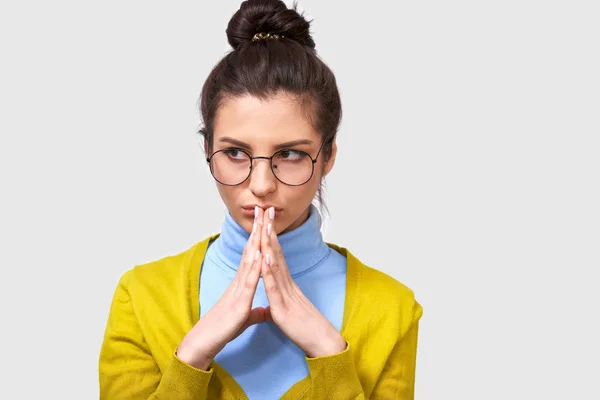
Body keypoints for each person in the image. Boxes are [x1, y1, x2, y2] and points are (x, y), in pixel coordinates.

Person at [98, 0, 423, 398]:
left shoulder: (392, 309)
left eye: (290, 154)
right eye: (235, 153)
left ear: (329, 155)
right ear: (207, 150)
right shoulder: (142, 295)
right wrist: (193, 355)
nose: (262, 184)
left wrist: (328, 351)